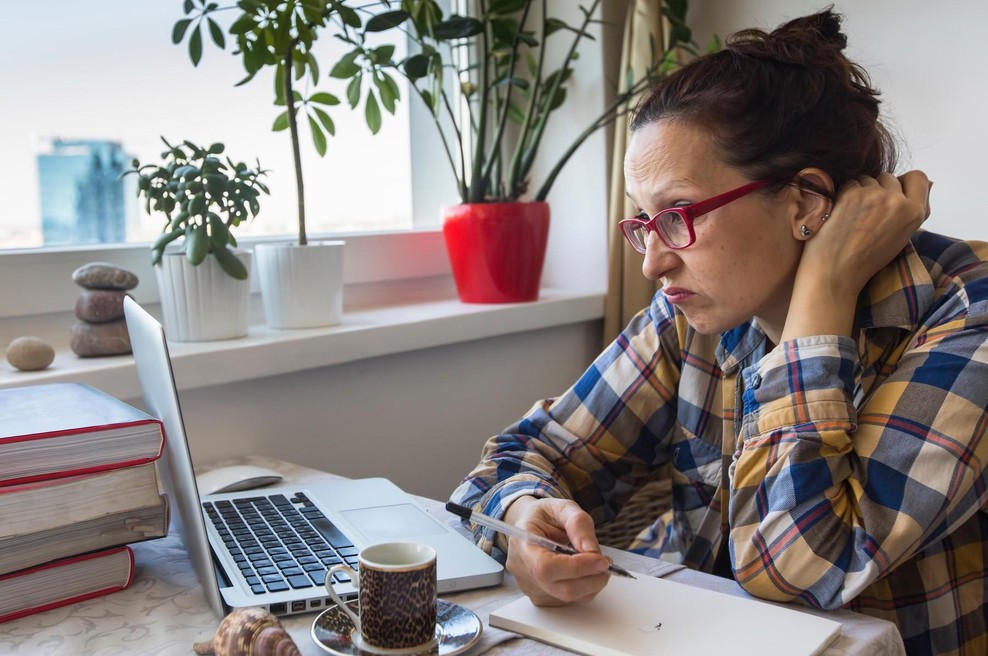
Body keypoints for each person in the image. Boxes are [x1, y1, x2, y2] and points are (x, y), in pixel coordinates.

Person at [449, 9, 988, 656]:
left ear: (806, 203)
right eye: (643, 224)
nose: (652, 263)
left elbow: (796, 565)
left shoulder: (964, 316)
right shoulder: (692, 316)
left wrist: (821, 297)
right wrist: (520, 524)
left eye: (676, 215)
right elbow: (508, 465)